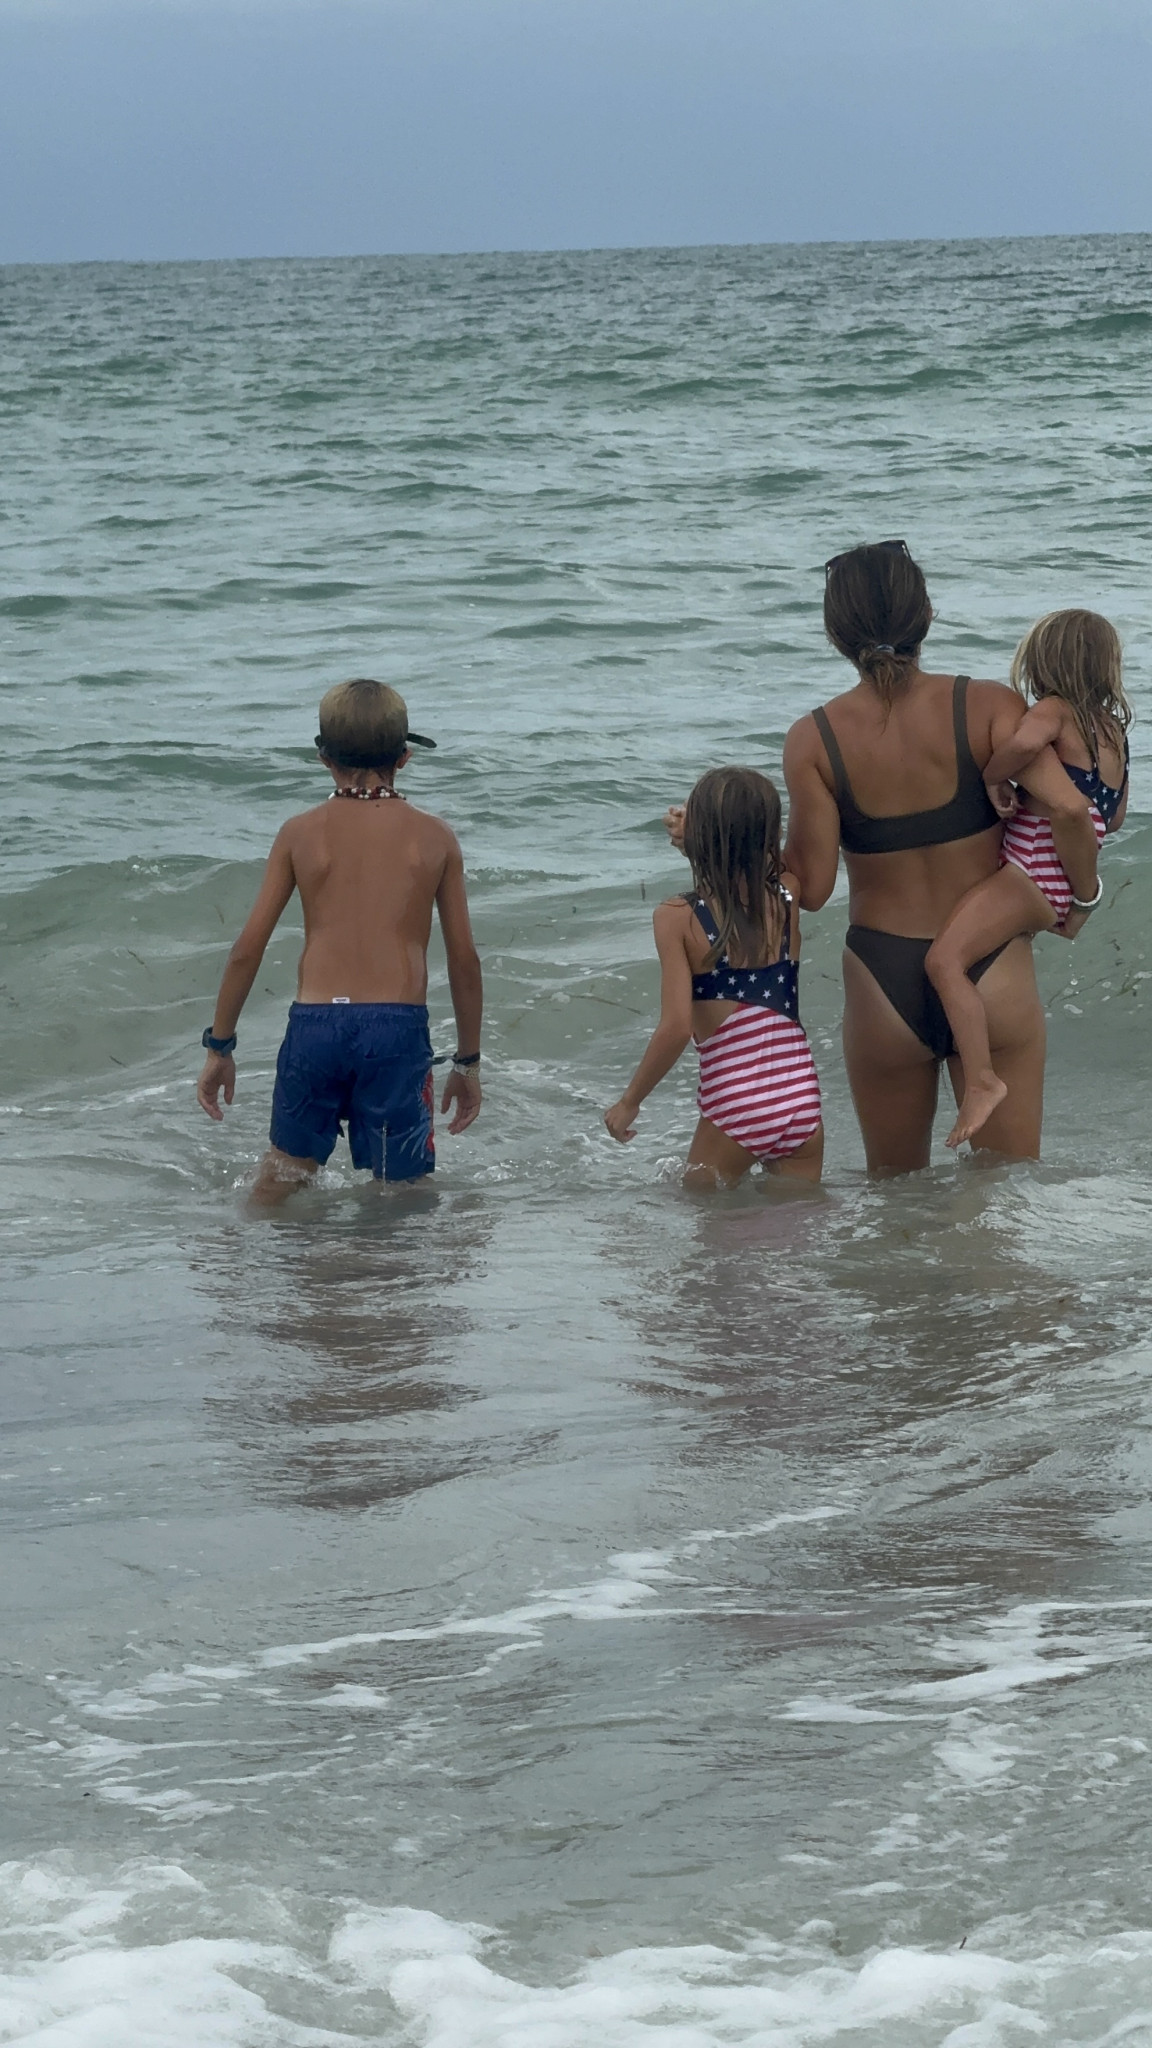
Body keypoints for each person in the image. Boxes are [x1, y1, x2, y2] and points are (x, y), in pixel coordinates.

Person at [781, 541, 1101, 1176]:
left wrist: (720, 846)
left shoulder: (812, 740)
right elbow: (1074, 809)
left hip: (881, 982)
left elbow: (810, 889)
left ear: (835, 632)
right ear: (925, 613)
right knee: (1006, 1195)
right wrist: (1083, 897)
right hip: (992, 970)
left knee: (894, 1200)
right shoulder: (989, 707)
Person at [196, 678, 483, 1204]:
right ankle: (374, 1260)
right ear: (405, 758)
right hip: (395, 1031)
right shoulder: (435, 837)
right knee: (401, 1191)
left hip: (316, 1027)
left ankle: (244, 1251)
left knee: (283, 1174)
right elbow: (464, 960)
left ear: (323, 758)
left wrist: (220, 1046)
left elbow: (246, 950)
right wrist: (467, 1062)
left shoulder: (299, 833)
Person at [925, 609, 1130, 1149]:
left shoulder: (1054, 711)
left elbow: (1020, 748)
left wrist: (995, 777)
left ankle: (983, 1080)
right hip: (1058, 884)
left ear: (1044, 662)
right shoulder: (1115, 733)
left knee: (944, 962)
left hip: (1031, 871)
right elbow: (1111, 818)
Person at [605, 766, 823, 1187]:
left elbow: (675, 1028)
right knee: (796, 1220)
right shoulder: (787, 895)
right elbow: (758, 863)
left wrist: (630, 1102)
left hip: (737, 1105)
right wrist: (707, 839)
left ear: (699, 838)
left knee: (704, 1220)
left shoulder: (676, 918)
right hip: (799, 1097)